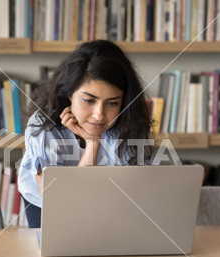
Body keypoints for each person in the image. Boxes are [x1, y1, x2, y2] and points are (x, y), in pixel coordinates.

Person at [18, 40, 152, 228]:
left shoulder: (128, 124)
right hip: (47, 209)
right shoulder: (43, 126)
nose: (99, 115)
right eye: (89, 100)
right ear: (69, 93)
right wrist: (92, 145)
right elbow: (66, 209)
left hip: (106, 209)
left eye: (112, 103)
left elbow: (132, 199)